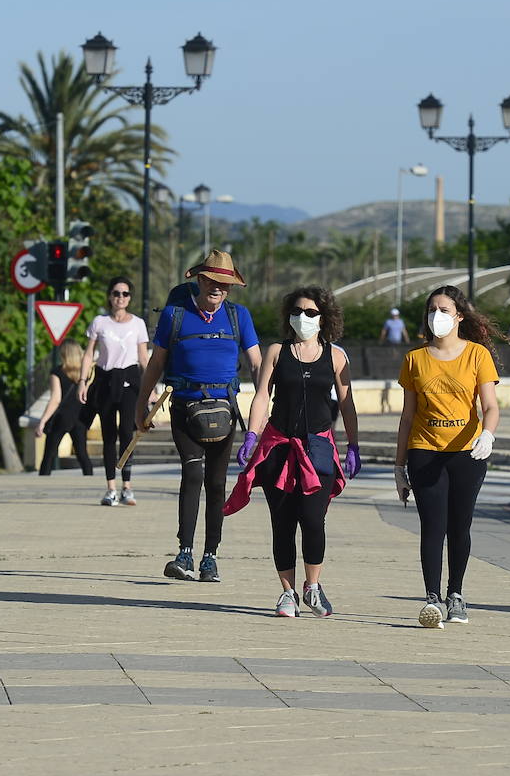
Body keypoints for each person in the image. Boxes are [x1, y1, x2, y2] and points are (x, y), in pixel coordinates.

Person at [224, 287, 360, 617]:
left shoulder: (336, 356)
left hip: (317, 449)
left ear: (324, 318)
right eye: (297, 311)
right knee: (282, 523)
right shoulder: (276, 351)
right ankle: (287, 593)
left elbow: (346, 402)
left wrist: (354, 446)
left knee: (313, 520)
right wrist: (251, 436)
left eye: (311, 313)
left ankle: (312, 587)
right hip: (278, 447)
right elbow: (261, 396)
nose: (303, 318)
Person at [135, 250, 262, 583]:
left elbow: (258, 363)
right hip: (184, 410)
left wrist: (264, 402)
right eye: (212, 281)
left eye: (224, 284)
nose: (217, 288)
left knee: (217, 484)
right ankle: (184, 553)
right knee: (192, 475)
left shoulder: (239, 317)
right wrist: (141, 405)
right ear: (200, 280)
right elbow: (156, 363)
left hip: (224, 410)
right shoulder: (175, 315)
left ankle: (210, 557)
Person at [394, 285, 501, 629]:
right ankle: (432, 599)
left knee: (459, 524)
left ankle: (456, 593)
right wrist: (398, 466)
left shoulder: (477, 356)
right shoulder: (414, 359)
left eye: (443, 309)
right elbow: (407, 416)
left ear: (459, 316)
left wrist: (488, 433)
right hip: (425, 450)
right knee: (432, 526)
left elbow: (490, 406)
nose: (436, 315)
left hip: (467, 452)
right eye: (431, 309)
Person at [80, 276, 150, 506]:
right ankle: (110, 487)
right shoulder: (99, 322)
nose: (120, 298)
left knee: (127, 433)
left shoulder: (137, 324)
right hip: (105, 381)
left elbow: (143, 357)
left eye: (125, 294)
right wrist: (83, 381)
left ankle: (127, 487)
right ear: (110, 296)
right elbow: (89, 354)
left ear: (130, 298)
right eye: (116, 293)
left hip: (130, 383)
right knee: (108, 435)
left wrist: (151, 388)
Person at [35, 341, 93, 477]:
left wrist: (42, 421)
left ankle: (43, 484)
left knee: (49, 454)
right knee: (82, 454)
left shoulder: (57, 373)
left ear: (64, 354)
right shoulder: (87, 374)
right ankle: (89, 480)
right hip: (80, 418)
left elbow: (55, 399)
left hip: (62, 418)